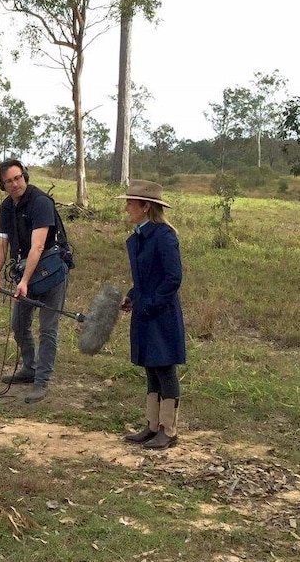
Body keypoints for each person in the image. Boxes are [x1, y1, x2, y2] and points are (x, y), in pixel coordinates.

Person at [0, 160, 68, 403]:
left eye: (18, 178)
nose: (15, 184)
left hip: (51, 274)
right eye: (8, 181)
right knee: (19, 324)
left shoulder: (41, 203)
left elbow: (38, 246)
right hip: (26, 275)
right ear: (2, 185)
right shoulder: (6, 208)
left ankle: (41, 382)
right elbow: (2, 245)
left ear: (26, 176)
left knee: (47, 329)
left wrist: (24, 281)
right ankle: (30, 367)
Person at [116, 180, 186, 450]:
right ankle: (152, 425)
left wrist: (150, 304)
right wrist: (132, 297)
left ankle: (169, 430)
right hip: (145, 310)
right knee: (150, 367)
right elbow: (143, 278)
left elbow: (172, 278)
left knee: (165, 368)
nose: (126, 208)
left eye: (130, 203)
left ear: (146, 207)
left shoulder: (164, 236)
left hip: (162, 313)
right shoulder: (136, 238)